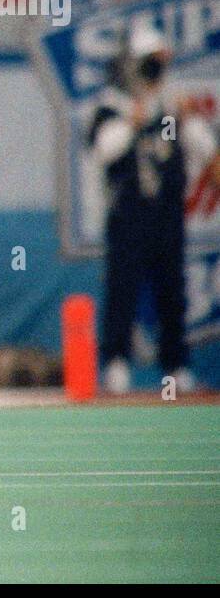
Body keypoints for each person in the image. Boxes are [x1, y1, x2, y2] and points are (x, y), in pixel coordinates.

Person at [88, 24, 220, 395]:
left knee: (171, 292)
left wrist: (182, 119)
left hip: (166, 218)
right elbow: (104, 149)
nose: (155, 74)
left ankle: (176, 367)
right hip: (128, 219)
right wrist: (134, 118)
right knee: (122, 291)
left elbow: (205, 151)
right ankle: (115, 364)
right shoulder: (113, 107)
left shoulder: (170, 110)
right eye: (149, 65)